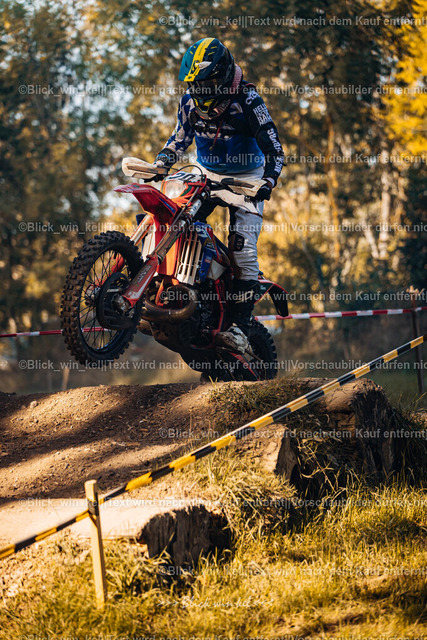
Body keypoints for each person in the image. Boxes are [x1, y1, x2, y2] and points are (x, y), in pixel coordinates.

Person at [152, 37, 285, 352]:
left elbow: (274, 148)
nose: (201, 91)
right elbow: (180, 137)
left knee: (243, 251)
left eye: (208, 83)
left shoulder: (248, 100)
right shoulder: (189, 101)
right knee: (173, 216)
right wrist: (162, 161)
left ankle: (239, 329)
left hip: (247, 180)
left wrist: (268, 181)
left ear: (224, 76)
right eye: (196, 84)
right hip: (205, 173)